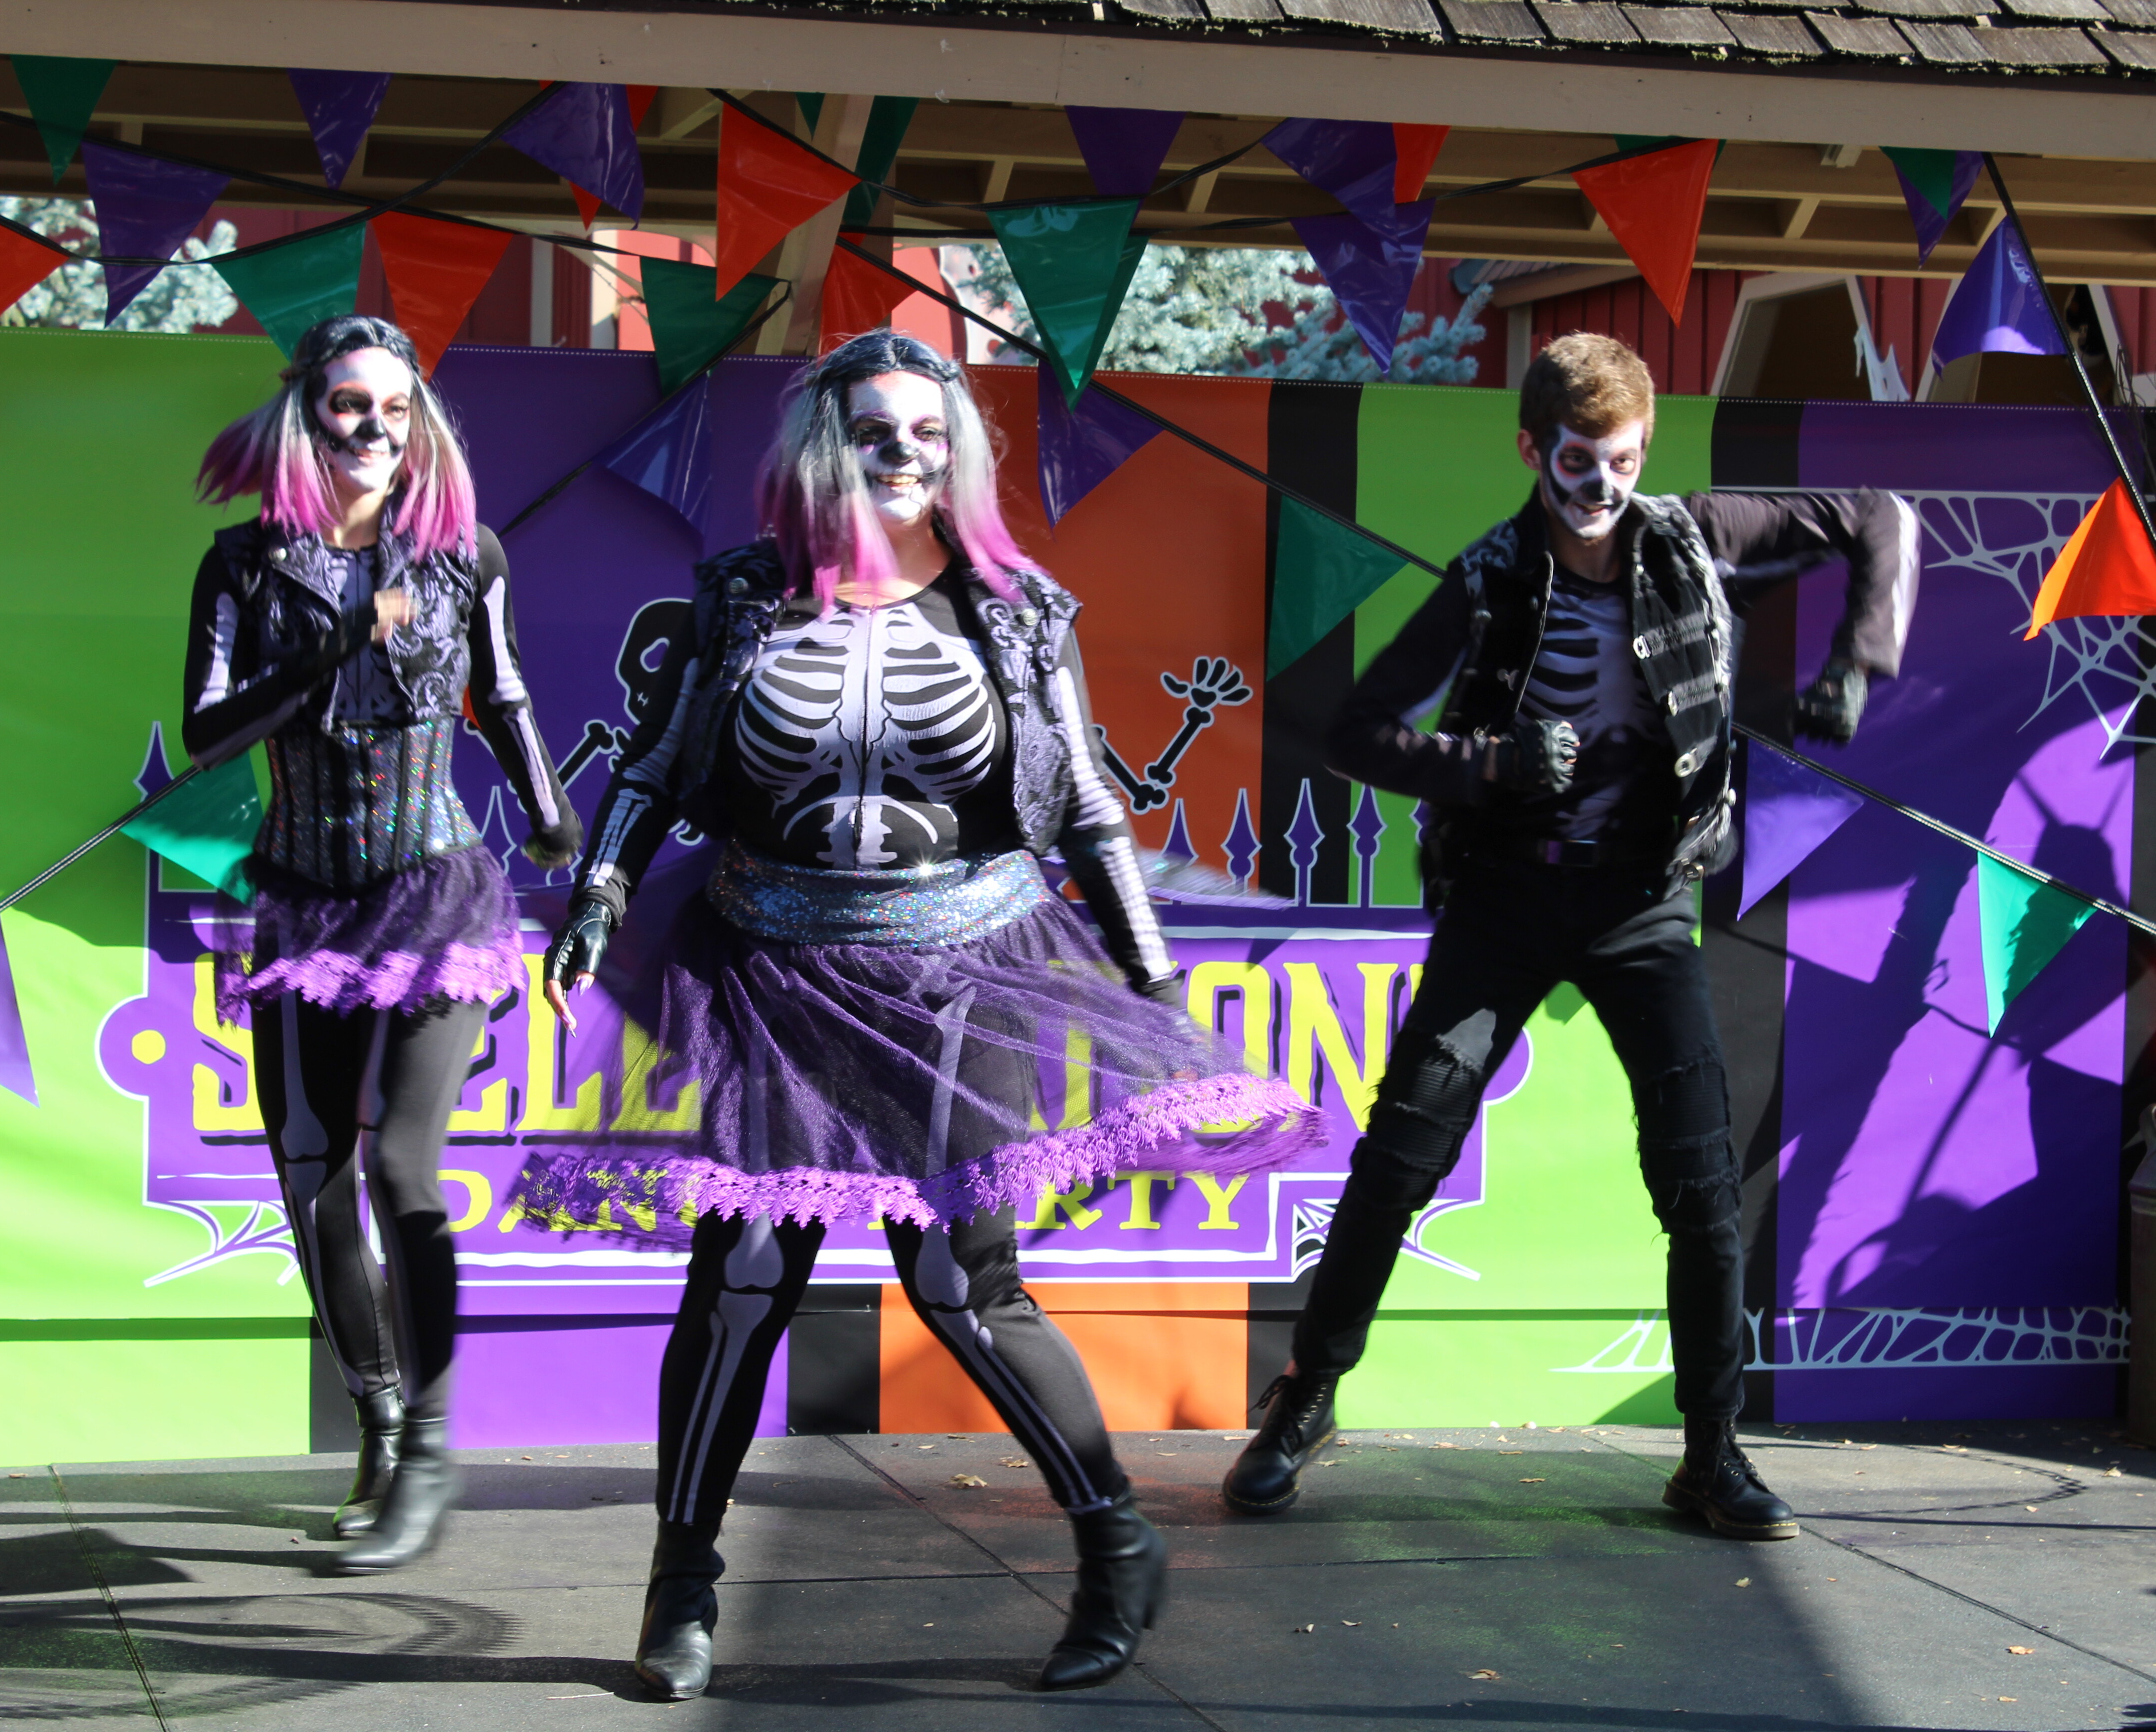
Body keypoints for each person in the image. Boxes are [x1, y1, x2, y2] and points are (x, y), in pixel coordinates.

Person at [513, 330, 1317, 1699]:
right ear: (822, 444)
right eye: (876, 430)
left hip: (956, 974)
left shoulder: (1014, 608)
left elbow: (1083, 801)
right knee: (742, 1278)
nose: (904, 455)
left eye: (931, 432)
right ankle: (681, 1583)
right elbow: (652, 767)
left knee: (959, 1282)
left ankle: (1116, 1545)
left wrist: (1152, 980)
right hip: (770, 968)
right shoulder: (743, 597)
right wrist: (600, 892)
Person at [1221, 332, 1919, 1542]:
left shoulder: (1694, 537)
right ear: (1532, 450)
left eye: (1625, 462)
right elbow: (1356, 732)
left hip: (1641, 902)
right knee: (1399, 1157)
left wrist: (1858, 664)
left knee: (1701, 1181)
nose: (1603, 487)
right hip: (1506, 895)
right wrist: (1487, 765)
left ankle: (1712, 1452)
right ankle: (1304, 1400)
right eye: (1581, 462)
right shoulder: (1488, 579)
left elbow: (1880, 516)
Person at [182, 313, 579, 1573]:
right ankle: (381, 1418)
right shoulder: (241, 566)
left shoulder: (464, 556)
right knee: (312, 1174)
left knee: (405, 1166)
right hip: (303, 898)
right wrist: (338, 641)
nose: (375, 428)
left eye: (397, 408)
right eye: (352, 405)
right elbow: (208, 734)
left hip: (434, 890)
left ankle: (433, 1455)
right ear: (307, 414)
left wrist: (553, 815)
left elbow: (500, 691)